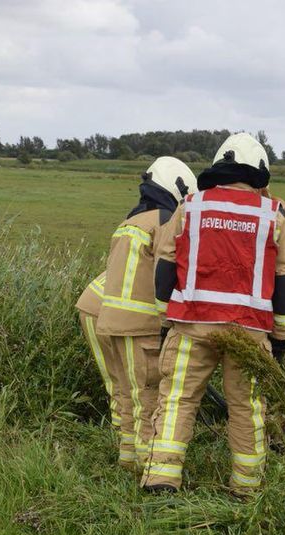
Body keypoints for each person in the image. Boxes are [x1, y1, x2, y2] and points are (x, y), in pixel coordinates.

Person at [140, 133, 285, 494]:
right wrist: (281, 339)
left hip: (192, 326)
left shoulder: (190, 206)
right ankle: (246, 488)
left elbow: (165, 269)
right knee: (247, 407)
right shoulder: (273, 216)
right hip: (250, 332)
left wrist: (167, 322)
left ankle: (161, 477)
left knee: (178, 398)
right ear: (260, 171)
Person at [96, 157, 197, 469]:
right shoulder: (164, 221)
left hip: (109, 324)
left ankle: (127, 461)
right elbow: (169, 271)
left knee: (127, 398)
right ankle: (146, 467)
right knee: (148, 399)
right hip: (141, 326)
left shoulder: (130, 222)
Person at [75, 272, 123, 448]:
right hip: (111, 311)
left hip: (91, 305)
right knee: (134, 381)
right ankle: (129, 443)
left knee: (117, 381)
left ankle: (123, 442)